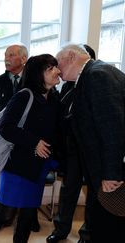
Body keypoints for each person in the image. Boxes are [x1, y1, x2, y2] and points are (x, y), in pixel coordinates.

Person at [0, 54, 61, 243]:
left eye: (56, 67)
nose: (57, 71)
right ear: (38, 74)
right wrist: (34, 142)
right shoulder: (24, 95)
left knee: (28, 214)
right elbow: (6, 127)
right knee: (6, 213)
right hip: (17, 165)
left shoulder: (54, 98)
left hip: (38, 167)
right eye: (51, 69)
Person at [55, 44, 125, 243]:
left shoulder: (97, 76)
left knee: (108, 228)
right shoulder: (91, 75)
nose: (57, 69)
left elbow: (112, 127)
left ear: (70, 57)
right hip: (101, 168)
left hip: (109, 173)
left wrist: (111, 174)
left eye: (58, 62)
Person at [0, 44, 43, 231]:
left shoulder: (34, 84)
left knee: (29, 178)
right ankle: (2, 215)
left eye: (12, 55)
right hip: (4, 141)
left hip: (28, 142)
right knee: (4, 179)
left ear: (24, 59)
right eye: (6, 55)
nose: (7, 58)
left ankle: (29, 216)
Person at [46, 44, 96, 243]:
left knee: (92, 192)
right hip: (72, 145)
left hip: (91, 147)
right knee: (69, 189)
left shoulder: (94, 80)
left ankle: (87, 233)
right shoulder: (68, 85)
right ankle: (61, 229)